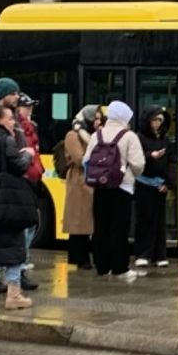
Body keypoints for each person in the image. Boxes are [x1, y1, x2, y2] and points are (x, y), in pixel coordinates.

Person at [84, 100, 145, 282]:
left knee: (101, 227)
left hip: (100, 187)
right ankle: (120, 267)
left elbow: (87, 159)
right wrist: (131, 173)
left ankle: (102, 266)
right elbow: (139, 164)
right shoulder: (129, 136)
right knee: (119, 228)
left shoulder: (97, 134)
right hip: (122, 187)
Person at [0, 106, 35, 309]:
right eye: (9, 119)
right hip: (7, 201)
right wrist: (28, 154)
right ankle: (13, 295)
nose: (13, 123)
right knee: (15, 248)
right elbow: (18, 165)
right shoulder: (6, 140)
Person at [64, 105, 102, 270]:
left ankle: (85, 257)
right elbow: (80, 159)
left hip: (91, 182)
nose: (98, 122)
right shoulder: (73, 135)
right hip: (79, 182)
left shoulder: (94, 136)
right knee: (79, 223)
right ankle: (80, 258)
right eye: (96, 118)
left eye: (100, 118)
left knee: (87, 223)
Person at [134, 106, 173, 269]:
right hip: (144, 183)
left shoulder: (165, 139)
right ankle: (143, 254)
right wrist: (151, 156)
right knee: (145, 219)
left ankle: (160, 255)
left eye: (160, 120)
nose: (157, 124)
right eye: (155, 120)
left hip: (160, 184)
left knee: (159, 221)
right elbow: (136, 158)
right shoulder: (140, 138)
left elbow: (172, 162)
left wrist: (168, 184)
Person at [14, 92, 43, 291]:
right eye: (27, 106)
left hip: (32, 178)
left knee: (31, 225)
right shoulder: (19, 128)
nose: (30, 110)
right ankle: (18, 271)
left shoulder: (31, 127)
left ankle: (20, 269)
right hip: (24, 180)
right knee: (24, 227)